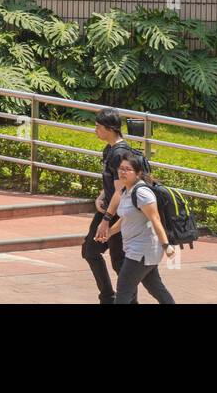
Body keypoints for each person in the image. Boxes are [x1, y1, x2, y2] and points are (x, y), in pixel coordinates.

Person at [105, 151, 176, 304]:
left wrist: (166, 245)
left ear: (137, 173)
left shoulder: (142, 193)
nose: (122, 172)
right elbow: (126, 218)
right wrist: (109, 232)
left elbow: (155, 219)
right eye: (121, 168)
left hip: (142, 251)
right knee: (155, 288)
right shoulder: (126, 190)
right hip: (139, 250)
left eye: (127, 169)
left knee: (124, 289)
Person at [81, 108, 133, 303]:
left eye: (98, 127)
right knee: (90, 251)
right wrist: (100, 197)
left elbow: (121, 191)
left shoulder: (120, 154)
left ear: (110, 129)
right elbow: (112, 184)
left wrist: (106, 220)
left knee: (119, 262)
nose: (95, 130)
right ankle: (108, 297)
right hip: (107, 210)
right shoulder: (109, 150)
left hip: (117, 214)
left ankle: (127, 300)